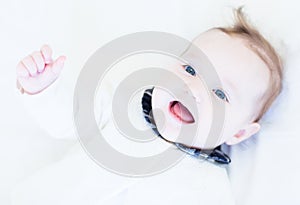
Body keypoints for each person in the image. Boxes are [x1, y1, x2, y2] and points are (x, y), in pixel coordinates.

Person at [13, 8, 283, 205]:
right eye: (190, 69)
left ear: (239, 133)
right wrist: (44, 88)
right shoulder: (123, 107)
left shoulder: (209, 190)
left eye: (220, 94)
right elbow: (70, 116)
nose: (194, 89)